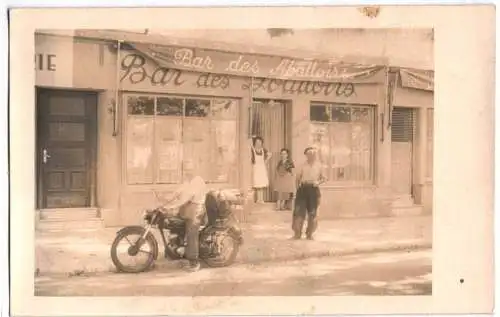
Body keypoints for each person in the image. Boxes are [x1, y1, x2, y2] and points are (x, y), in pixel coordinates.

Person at [162, 160, 207, 272]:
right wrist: (165, 199)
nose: (188, 171)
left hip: (196, 210)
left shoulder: (198, 181)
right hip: (188, 208)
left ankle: (194, 262)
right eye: (186, 169)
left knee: (191, 232)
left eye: (190, 168)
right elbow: (179, 191)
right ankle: (177, 249)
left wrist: (173, 206)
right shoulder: (188, 181)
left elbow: (187, 197)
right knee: (175, 223)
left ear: (195, 169)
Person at [292, 147, 327, 240]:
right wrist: (297, 191)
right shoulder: (302, 165)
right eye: (309, 154)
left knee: (313, 213)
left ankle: (310, 234)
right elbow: (297, 179)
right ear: (306, 155)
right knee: (299, 212)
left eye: (313, 154)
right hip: (303, 189)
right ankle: (297, 234)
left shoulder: (319, 166)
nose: (311, 155)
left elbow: (324, 178)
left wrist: (318, 182)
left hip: (314, 189)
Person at [250, 136, 271, 204]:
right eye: (257, 142)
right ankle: (257, 200)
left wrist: (265, 161)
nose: (258, 143)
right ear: (255, 143)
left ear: (262, 143)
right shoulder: (252, 149)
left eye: (260, 142)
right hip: (255, 168)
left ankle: (261, 199)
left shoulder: (263, 150)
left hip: (262, 168)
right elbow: (250, 160)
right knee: (257, 184)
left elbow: (269, 155)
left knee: (261, 185)